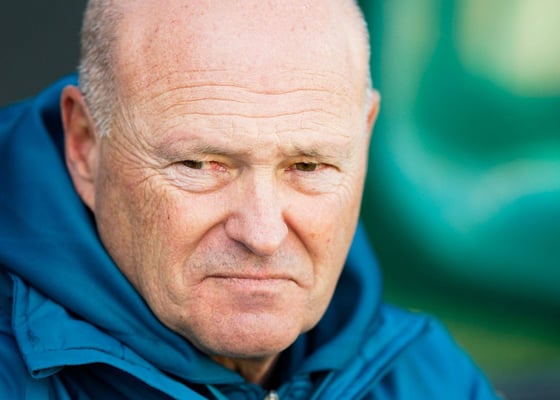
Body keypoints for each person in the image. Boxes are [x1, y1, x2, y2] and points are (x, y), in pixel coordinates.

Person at [0, 0, 501, 398]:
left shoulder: (424, 374)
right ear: (85, 146)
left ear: (364, 140)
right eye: (200, 164)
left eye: (308, 166)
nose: (263, 235)